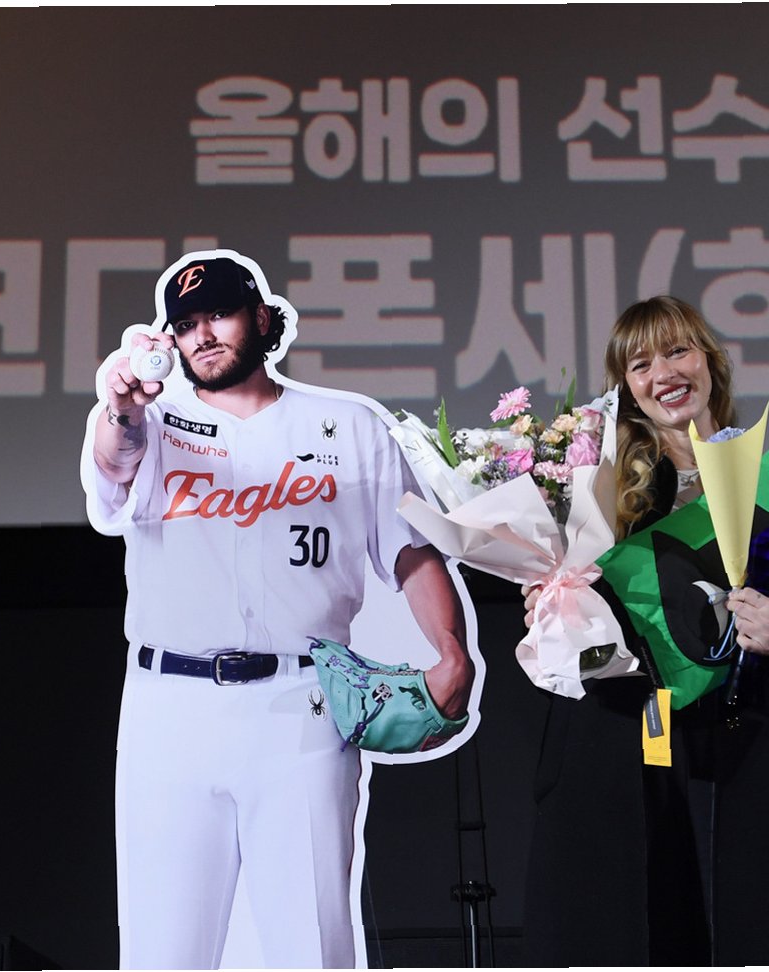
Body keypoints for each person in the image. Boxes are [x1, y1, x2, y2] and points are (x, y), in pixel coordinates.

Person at [80, 251, 474, 970]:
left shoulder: (348, 424)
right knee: (162, 949)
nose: (203, 335)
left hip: (303, 701)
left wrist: (452, 651)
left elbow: (411, 551)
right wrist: (122, 409)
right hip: (169, 706)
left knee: (309, 946)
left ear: (261, 318)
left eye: (219, 315)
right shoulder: (153, 421)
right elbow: (115, 461)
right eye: (186, 325)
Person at [521, 295, 769, 965]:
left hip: (761, 760)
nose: (663, 373)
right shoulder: (595, 505)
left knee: (768, 938)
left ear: (710, 363)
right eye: (640, 364)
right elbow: (575, 658)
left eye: (677, 351)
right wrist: (555, 616)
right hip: (633, 759)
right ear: (624, 390)